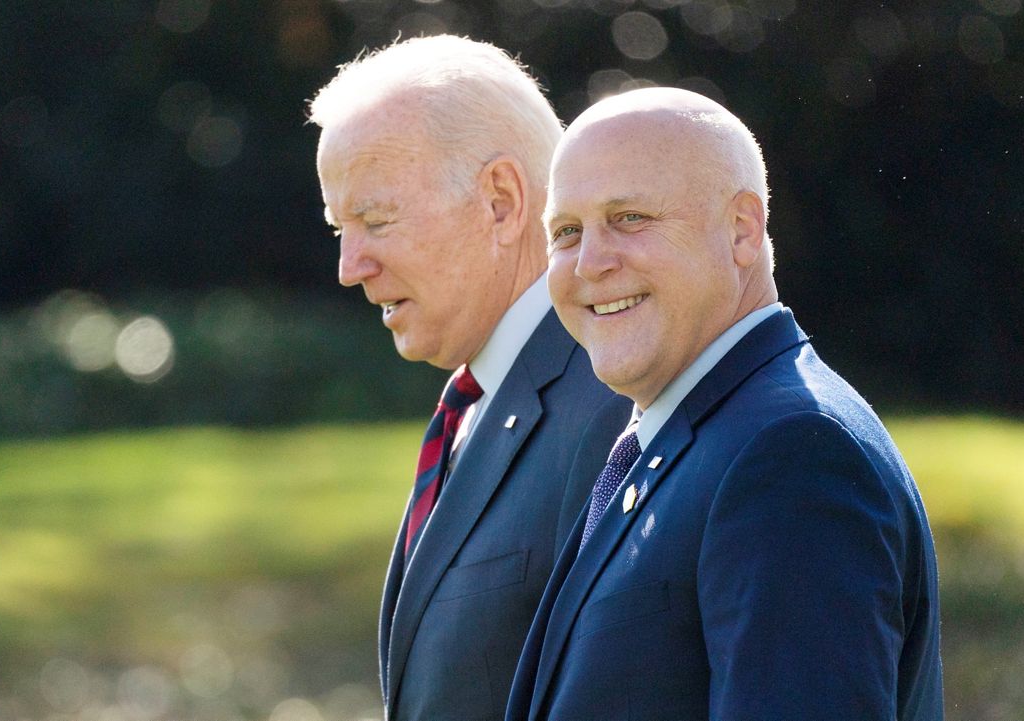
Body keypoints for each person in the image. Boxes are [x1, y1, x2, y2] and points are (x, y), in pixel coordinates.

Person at [505, 87, 944, 720]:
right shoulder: (693, 439)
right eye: (567, 232)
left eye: (630, 217)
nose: (589, 263)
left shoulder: (791, 456)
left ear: (742, 230)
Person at [309, 36, 628, 721]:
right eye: (340, 227)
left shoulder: (615, 407)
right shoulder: (479, 396)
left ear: (502, 202)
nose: (349, 264)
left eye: (374, 219)